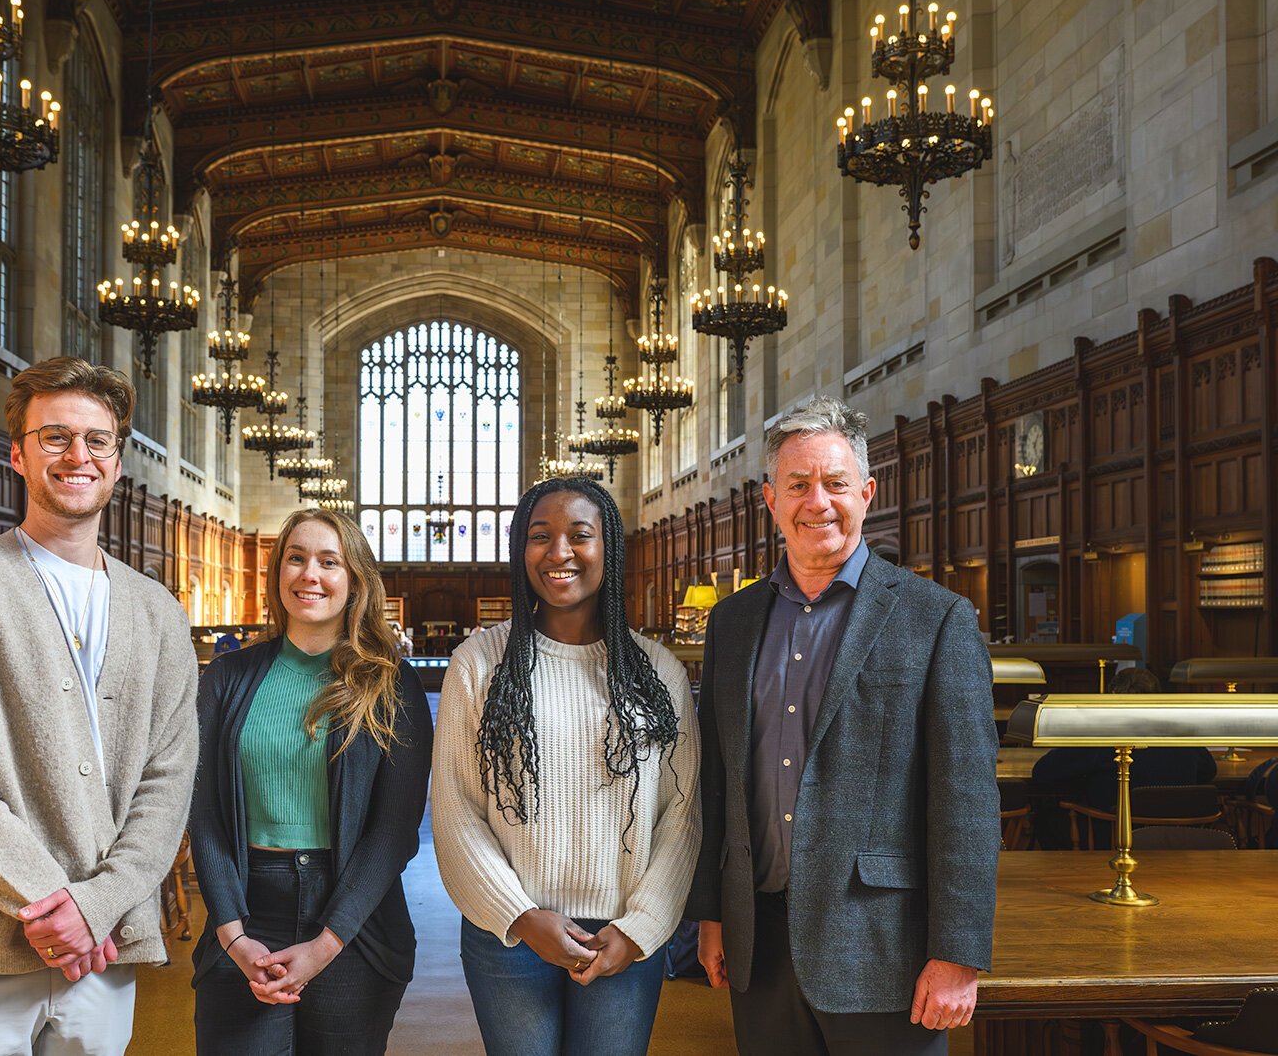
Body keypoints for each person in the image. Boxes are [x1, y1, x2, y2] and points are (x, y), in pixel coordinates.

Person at [0, 356, 198, 1056]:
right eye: (55, 436)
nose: (77, 455)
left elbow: (168, 780)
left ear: (118, 462)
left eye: (96, 439)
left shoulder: (158, 612)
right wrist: (47, 905)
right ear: (19, 453)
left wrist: (92, 907)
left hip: (105, 943)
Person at [687, 395, 999, 1056]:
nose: (817, 501)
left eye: (834, 482)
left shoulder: (934, 618)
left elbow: (966, 801)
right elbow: (718, 783)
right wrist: (712, 911)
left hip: (882, 945)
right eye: (798, 485)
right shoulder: (733, 622)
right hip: (760, 943)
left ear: (867, 491)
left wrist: (957, 953)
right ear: (771, 500)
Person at [432, 477, 700, 1056]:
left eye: (580, 535)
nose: (559, 553)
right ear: (518, 551)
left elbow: (680, 816)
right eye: (539, 536)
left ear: (610, 549)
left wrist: (640, 929)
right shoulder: (477, 665)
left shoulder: (659, 672)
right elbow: (455, 808)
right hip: (509, 939)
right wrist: (522, 915)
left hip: (621, 936)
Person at [190, 508, 432, 1055]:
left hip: (351, 919)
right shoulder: (228, 678)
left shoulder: (391, 685)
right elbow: (202, 812)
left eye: (329, 562)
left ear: (355, 581)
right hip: (245, 911)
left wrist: (326, 945)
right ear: (278, 574)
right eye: (296, 559)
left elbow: (394, 831)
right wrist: (233, 935)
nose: (310, 575)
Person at [1031, 666, 1216, 848]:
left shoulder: (1103, 737)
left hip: (1113, 841)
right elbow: (1209, 770)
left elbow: (1042, 772)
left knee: (1044, 815)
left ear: (1114, 696)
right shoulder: (1180, 735)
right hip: (1178, 841)